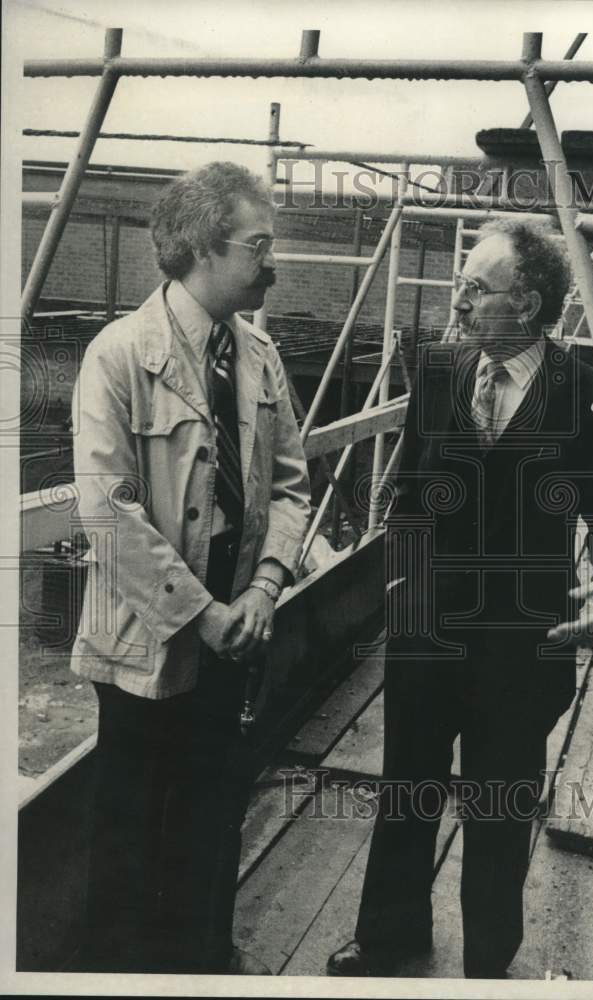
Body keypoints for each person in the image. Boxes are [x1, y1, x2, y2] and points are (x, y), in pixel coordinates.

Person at [327, 218, 593, 979]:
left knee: (501, 811)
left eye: (476, 288)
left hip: (523, 643)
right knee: (407, 789)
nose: (458, 301)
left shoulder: (580, 386)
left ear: (528, 303)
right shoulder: (436, 368)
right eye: (460, 286)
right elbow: (408, 494)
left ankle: (488, 966)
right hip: (426, 635)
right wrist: (403, 591)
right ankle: (389, 934)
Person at [71, 161, 310, 974]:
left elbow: (289, 484)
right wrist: (206, 613)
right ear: (206, 248)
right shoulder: (117, 357)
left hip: (238, 634)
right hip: (147, 643)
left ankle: (204, 961)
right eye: (260, 246)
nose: (274, 265)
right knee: (130, 821)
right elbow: (108, 511)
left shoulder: (261, 358)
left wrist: (266, 588)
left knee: (214, 813)